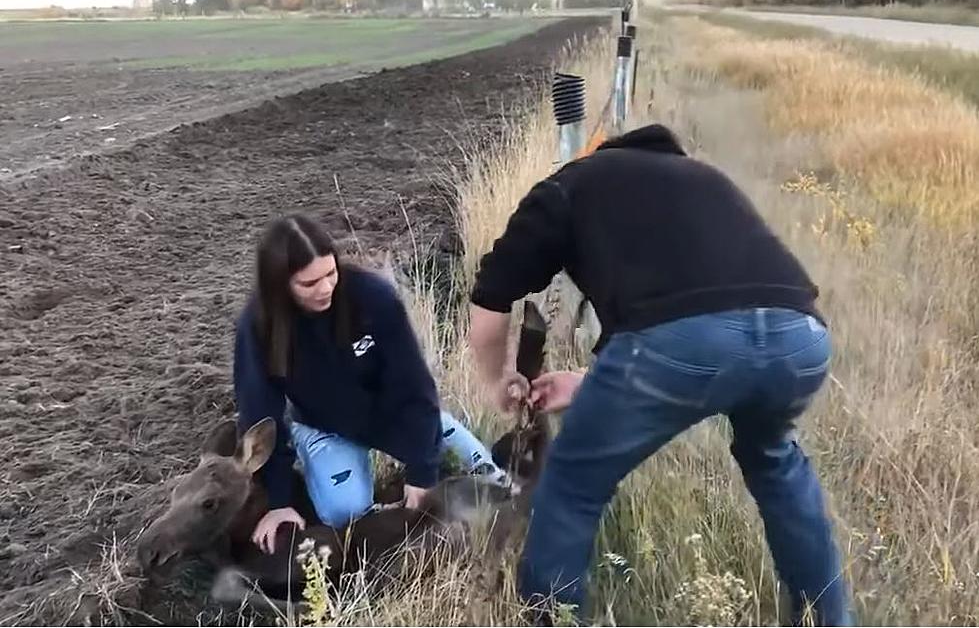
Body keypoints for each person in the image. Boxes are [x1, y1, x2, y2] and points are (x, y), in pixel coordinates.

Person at [467, 123, 851, 625]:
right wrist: (589, 382)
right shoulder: (705, 179)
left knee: (572, 485)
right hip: (799, 337)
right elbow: (699, 294)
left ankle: (549, 619)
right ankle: (829, 619)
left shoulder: (573, 183)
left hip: (682, 345)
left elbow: (489, 300)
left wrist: (498, 380)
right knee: (775, 461)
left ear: (599, 155)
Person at [233, 213, 507, 554]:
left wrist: (422, 473)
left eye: (330, 274)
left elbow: (414, 386)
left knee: (492, 477)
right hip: (323, 426)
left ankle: (440, 430)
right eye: (308, 284)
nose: (325, 288)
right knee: (343, 514)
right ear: (280, 285)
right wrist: (278, 501)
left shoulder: (374, 298)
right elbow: (261, 418)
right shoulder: (257, 328)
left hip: (391, 414)